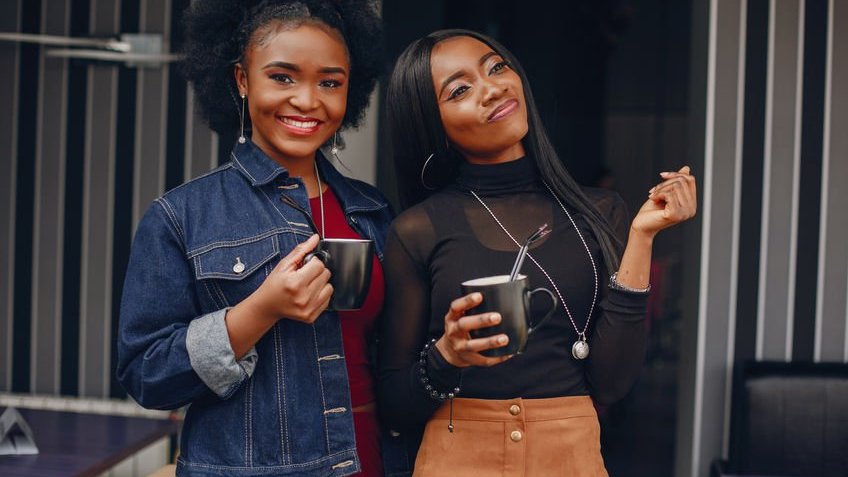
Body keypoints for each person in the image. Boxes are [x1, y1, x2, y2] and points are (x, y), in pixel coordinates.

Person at [377, 29, 697, 476]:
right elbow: (393, 404)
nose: (492, 88)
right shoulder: (417, 230)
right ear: (434, 124)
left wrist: (643, 237)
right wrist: (446, 356)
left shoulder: (601, 212)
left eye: (496, 67)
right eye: (461, 90)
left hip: (571, 457)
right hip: (457, 458)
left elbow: (611, 383)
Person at [116, 2, 392, 476]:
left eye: (330, 82)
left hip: (378, 461)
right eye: (283, 77)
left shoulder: (371, 211)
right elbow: (147, 378)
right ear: (243, 80)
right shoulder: (182, 217)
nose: (308, 100)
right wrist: (260, 310)